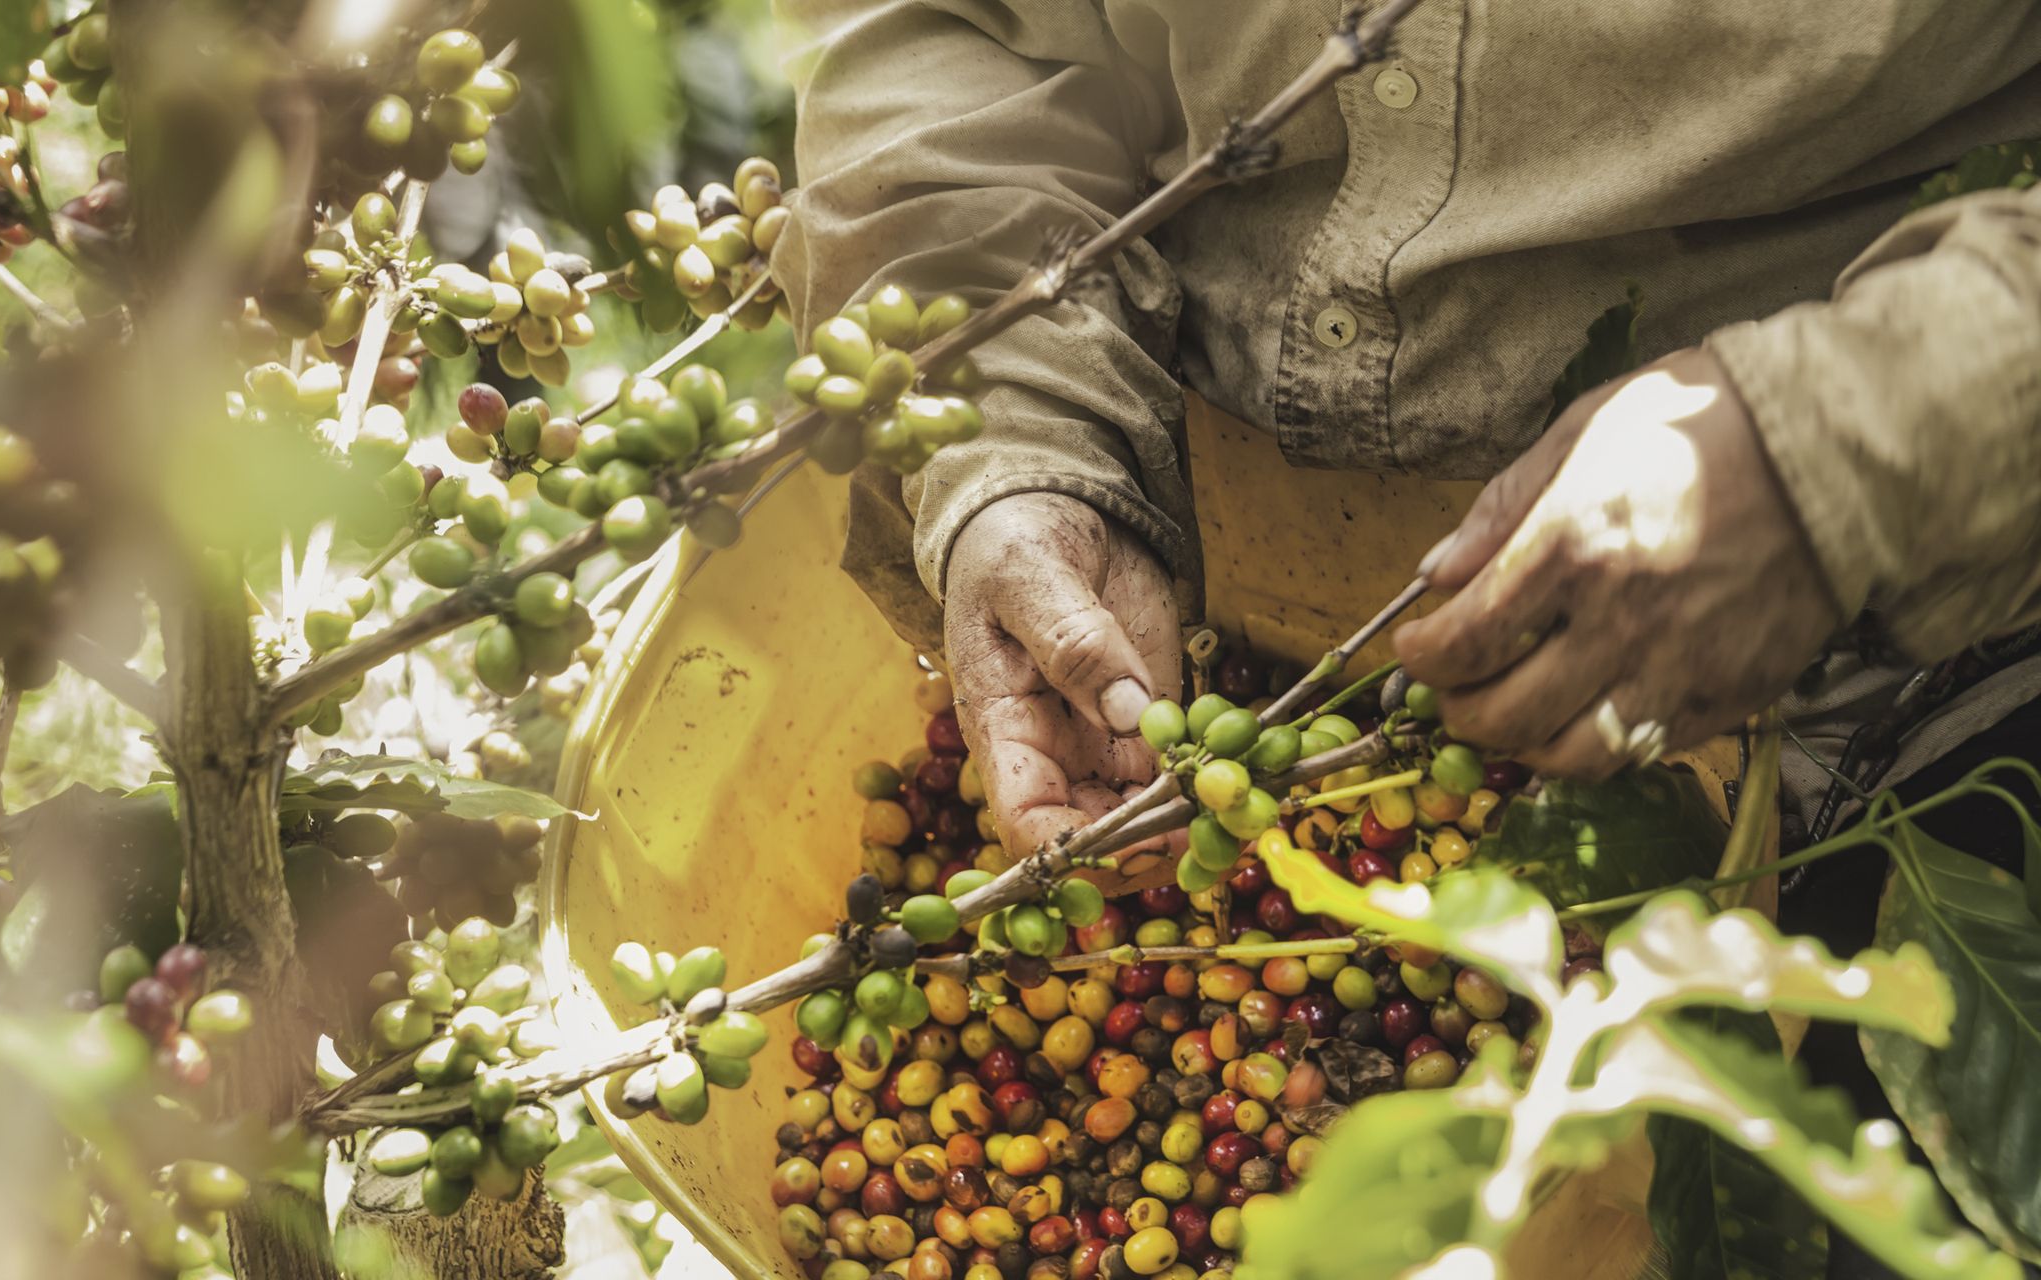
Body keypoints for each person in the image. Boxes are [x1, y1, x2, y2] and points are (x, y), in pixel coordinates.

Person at [775, 5, 2041, 1275]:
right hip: (1200, 507)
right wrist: (1012, 440)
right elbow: (933, 33)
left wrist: (1848, 438)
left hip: (1933, 634)